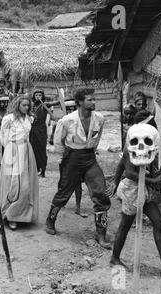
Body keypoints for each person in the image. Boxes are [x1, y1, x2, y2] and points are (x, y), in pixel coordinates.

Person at [45, 88, 112, 249]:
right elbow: (58, 142)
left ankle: (100, 233)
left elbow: (98, 137)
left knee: (100, 192)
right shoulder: (67, 121)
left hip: (90, 158)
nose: (93, 102)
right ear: (80, 102)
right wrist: (64, 159)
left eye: (94, 99)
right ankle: (50, 220)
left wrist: (92, 149)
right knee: (64, 192)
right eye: (90, 100)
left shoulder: (100, 118)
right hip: (72, 158)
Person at [108, 119, 161, 276]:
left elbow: (125, 167)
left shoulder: (150, 149)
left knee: (159, 222)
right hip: (132, 190)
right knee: (125, 225)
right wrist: (116, 182)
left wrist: (156, 175)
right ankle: (115, 258)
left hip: (144, 191)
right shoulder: (131, 149)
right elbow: (129, 172)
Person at [0, 95, 39, 230]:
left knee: (26, 185)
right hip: (13, 150)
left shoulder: (29, 119)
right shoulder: (8, 119)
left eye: (28, 105)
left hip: (26, 151)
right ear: (17, 105)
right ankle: (10, 215)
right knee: (14, 184)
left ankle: (22, 214)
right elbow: (3, 137)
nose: (26, 108)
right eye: (24, 105)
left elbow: (27, 135)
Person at [29, 90, 56, 178]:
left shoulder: (45, 104)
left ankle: (43, 170)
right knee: (32, 149)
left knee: (41, 150)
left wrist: (62, 99)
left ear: (42, 96)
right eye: (36, 95)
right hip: (32, 130)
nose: (38, 97)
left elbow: (56, 103)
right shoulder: (30, 105)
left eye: (40, 95)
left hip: (41, 130)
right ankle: (35, 169)